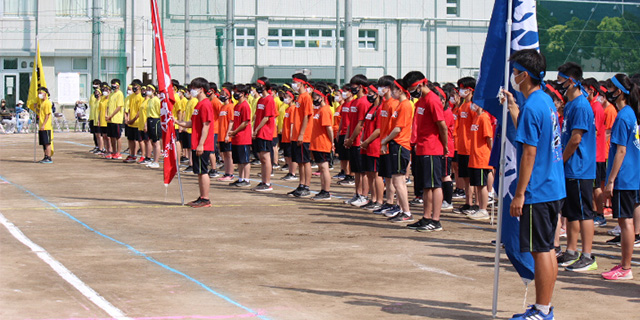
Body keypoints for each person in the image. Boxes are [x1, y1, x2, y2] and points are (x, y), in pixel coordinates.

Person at [502, 49, 565, 320]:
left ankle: (542, 309)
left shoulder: (533, 106)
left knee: (541, 252)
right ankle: (544, 306)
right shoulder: (544, 101)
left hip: (537, 190)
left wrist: (519, 194)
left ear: (524, 75)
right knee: (547, 249)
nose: (513, 77)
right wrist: (515, 109)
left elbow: (529, 153)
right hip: (552, 186)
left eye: (515, 73)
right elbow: (535, 138)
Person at [555, 62, 597, 272]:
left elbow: (576, 139)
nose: (559, 84)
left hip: (579, 167)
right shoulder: (571, 104)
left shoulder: (581, 105)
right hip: (571, 168)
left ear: (571, 81)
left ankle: (588, 255)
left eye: (561, 80)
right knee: (571, 213)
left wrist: (561, 160)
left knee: (584, 213)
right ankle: (571, 251)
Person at [601, 74, 640, 280]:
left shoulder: (623, 116)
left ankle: (625, 267)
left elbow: (621, 151)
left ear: (620, 92)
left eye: (610, 88)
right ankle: (624, 264)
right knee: (628, 221)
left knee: (625, 223)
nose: (607, 91)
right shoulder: (631, 114)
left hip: (624, 178)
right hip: (632, 176)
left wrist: (611, 180)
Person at [403, 72, 448, 230]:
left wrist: (445, 145)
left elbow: (441, 125)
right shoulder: (420, 101)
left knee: (435, 185)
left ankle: (435, 220)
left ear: (422, 84)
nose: (411, 91)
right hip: (422, 147)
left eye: (413, 88)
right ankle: (426, 217)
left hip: (432, 147)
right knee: (426, 186)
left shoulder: (432, 100)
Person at [175, 78, 215, 208]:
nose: (190, 91)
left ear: (201, 89)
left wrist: (201, 144)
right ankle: (202, 196)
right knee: (199, 171)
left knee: (203, 171)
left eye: (193, 88)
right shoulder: (198, 104)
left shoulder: (205, 104)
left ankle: (206, 199)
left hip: (202, 144)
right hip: (196, 142)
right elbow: (192, 123)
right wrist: (176, 121)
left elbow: (206, 125)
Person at [379, 79, 413, 222]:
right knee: (396, 180)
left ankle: (406, 212)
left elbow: (398, 128)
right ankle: (402, 209)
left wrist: (384, 140)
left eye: (394, 89)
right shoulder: (401, 105)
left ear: (400, 90)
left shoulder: (405, 105)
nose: (392, 92)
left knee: (398, 181)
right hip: (395, 144)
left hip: (400, 144)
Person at [583, 78, 607, 227]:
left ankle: (600, 214)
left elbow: (596, 130)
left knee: (596, 186)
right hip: (592, 154)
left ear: (591, 90)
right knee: (593, 187)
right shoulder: (591, 106)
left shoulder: (596, 108)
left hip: (597, 155)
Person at [343, 74, 370, 206]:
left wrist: (353, 138)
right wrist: (347, 138)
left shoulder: (364, 102)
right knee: (356, 171)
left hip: (359, 141)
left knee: (362, 171)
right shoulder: (353, 102)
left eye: (353, 86)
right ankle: (357, 193)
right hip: (352, 140)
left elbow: (361, 124)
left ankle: (364, 195)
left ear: (360, 87)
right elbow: (350, 123)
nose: (351, 88)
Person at [287, 73, 314, 198]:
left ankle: (306, 186)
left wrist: (302, 133)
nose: (293, 85)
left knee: (305, 161)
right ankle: (301, 184)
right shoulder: (299, 97)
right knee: (300, 162)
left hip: (304, 135)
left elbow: (307, 116)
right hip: (296, 134)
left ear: (301, 83)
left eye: (295, 82)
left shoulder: (306, 97)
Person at [466, 101, 493, 221]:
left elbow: (489, 138)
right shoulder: (476, 117)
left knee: (482, 186)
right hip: (474, 157)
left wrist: (492, 154)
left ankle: (483, 210)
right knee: (478, 185)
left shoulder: (484, 118)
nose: (473, 105)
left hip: (482, 157)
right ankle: (480, 208)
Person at [455, 77, 478, 214]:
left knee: (473, 178)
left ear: (470, 90)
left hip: (471, 147)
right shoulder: (463, 106)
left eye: (463, 88)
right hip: (462, 146)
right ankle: (468, 203)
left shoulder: (473, 107)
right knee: (466, 178)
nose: (460, 91)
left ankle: (477, 204)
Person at [360, 84, 384, 211]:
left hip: (374, 145)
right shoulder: (371, 108)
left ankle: (379, 200)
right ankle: (373, 198)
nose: (368, 95)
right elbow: (365, 126)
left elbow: (379, 129)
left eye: (371, 93)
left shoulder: (380, 109)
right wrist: (363, 140)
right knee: (369, 173)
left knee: (376, 174)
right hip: (366, 145)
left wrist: (367, 141)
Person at [309, 84, 334, 200]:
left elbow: (329, 128)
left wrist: (332, 142)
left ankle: (326, 191)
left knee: (324, 168)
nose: (314, 98)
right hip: (317, 143)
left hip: (323, 143)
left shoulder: (325, 110)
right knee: (321, 167)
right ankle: (323, 190)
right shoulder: (319, 110)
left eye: (316, 96)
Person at [252, 77, 277, 192]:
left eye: (259, 84)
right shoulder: (260, 100)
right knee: (262, 158)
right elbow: (257, 116)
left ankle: (267, 183)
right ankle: (263, 181)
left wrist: (257, 129)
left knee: (266, 157)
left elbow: (266, 117)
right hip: (258, 132)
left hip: (265, 132)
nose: (257, 87)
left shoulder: (269, 99)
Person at [228, 84, 253, 187]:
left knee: (245, 160)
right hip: (236, 138)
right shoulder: (237, 106)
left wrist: (235, 131)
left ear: (243, 93)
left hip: (243, 137)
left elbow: (245, 122)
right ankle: (240, 178)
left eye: (237, 92)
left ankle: (246, 180)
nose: (235, 94)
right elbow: (235, 121)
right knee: (239, 160)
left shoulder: (245, 105)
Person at [217, 88, 235, 181]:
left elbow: (231, 121)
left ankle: (230, 174)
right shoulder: (222, 107)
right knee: (225, 155)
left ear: (228, 95)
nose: (221, 95)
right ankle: (226, 173)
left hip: (226, 134)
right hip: (221, 134)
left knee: (229, 154)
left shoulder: (230, 107)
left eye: (223, 93)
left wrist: (228, 134)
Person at [124, 80, 144, 163]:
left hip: (138, 122)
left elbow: (140, 110)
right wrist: (127, 119)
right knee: (130, 139)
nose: (133, 87)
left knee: (140, 140)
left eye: (135, 85)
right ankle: (132, 155)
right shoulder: (131, 96)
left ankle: (143, 156)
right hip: (130, 122)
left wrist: (134, 119)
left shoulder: (141, 97)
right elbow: (128, 109)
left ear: (139, 86)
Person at [280, 90, 298, 181]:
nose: (285, 99)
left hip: (290, 136)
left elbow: (292, 123)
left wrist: (291, 134)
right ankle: (290, 172)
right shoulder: (288, 108)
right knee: (287, 155)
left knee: (291, 156)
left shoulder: (293, 108)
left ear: (292, 98)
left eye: (287, 97)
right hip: (285, 136)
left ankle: (293, 173)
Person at [105, 79, 125, 160]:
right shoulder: (112, 94)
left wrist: (111, 115)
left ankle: (118, 153)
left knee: (117, 136)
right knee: (112, 136)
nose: (113, 85)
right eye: (112, 84)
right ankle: (114, 151)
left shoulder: (120, 94)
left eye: (115, 84)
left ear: (118, 85)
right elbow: (108, 106)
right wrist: (106, 115)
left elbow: (119, 106)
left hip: (117, 119)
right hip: (110, 120)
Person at [145, 85, 162, 168]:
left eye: (150, 89)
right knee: (152, 141)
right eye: (147, 89)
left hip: (155, 120)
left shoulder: (156, 100)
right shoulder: (150, 100)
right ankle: (153, 160)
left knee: (156, 142)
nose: (148, 90)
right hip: (149, 120)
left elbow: (160, 112)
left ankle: (156, 161)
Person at [35, 87, 53, 163]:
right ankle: (45, 156)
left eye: (40, 93)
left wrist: (43, 125)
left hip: (46, 126)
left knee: (47, 142)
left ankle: (48, 157)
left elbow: (47, 115)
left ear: (45, 93)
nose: (39, 95)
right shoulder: (42, 103)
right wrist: (36, 108)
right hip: (41, 125)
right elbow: (41, 113)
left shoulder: (47, 103)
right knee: (43, 143)